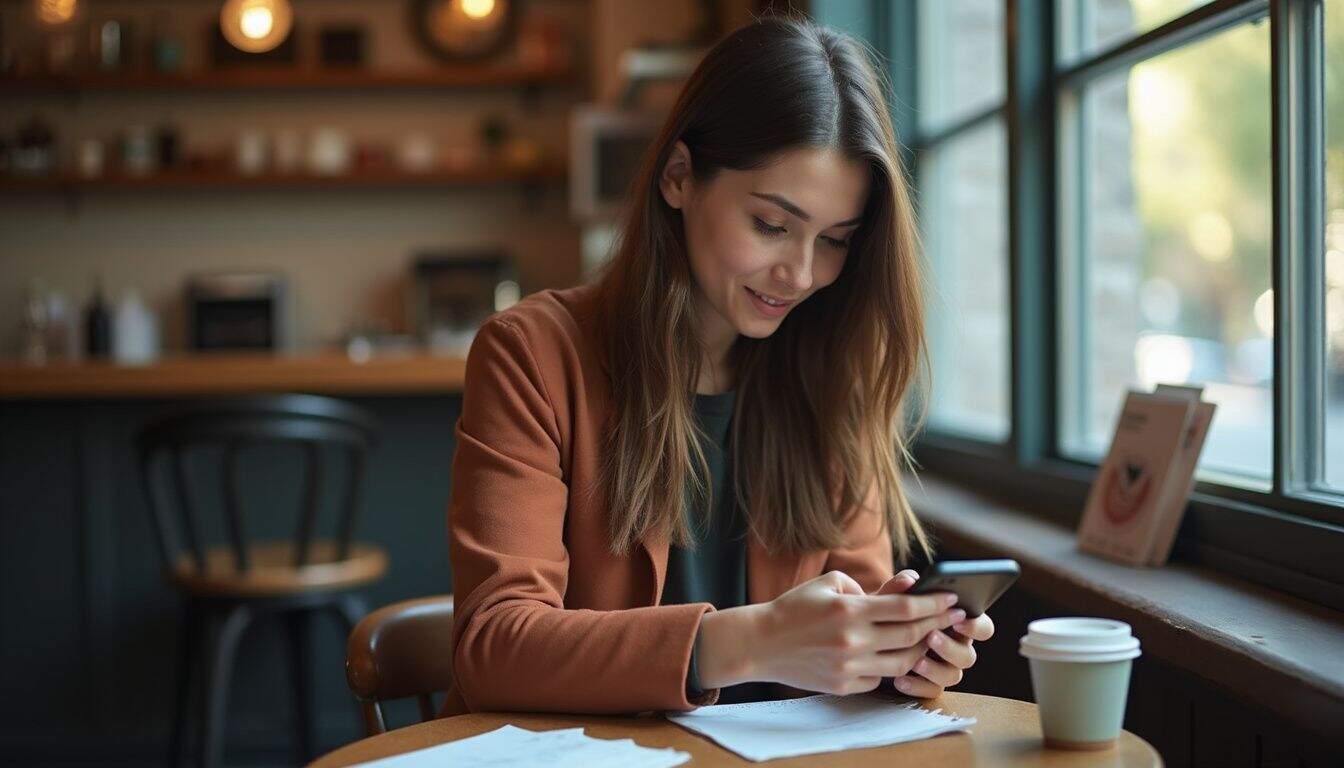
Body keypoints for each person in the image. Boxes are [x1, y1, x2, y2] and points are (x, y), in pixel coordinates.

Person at [442, 14, 994, 716]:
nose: (799, 274)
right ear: (679, 177)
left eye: (834, 241)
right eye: (771, 225)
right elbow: (495, 645)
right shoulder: (533, 355)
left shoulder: (829, 378)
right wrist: (745, 641)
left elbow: (857, 615)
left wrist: (901, 653)